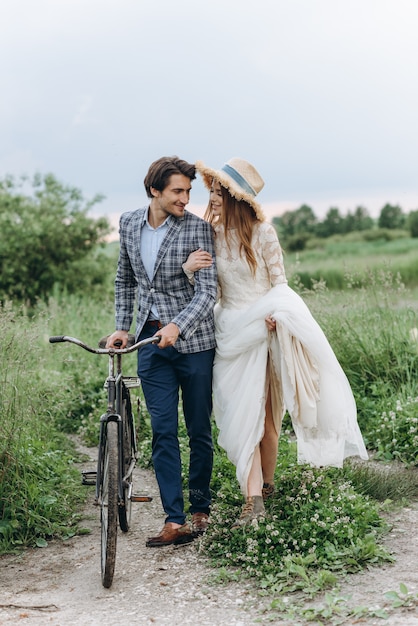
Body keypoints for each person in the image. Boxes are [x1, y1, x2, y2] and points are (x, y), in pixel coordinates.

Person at [183, 157, 368, 527]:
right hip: (230, 333)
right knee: (239, 416)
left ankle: (264, 488)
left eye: (219, 193)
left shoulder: (264, 233)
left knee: (266, 419)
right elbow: (212, 292)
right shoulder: (211, 235)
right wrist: (189, 271)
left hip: (263, 329)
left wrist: (277, 316)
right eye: (213, 192)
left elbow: (279, 284)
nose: (213, 198)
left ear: (237, 198)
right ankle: (252, 500)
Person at [106, 156, 218, 547]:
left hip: (195, 344)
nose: (186, 198)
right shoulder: (128, 223)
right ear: (154, 190)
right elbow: (125, 279)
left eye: (189, 191)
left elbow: (207, 294)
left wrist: (177, 326)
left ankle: (200, 507)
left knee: (199, 429)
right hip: (149, 344)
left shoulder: (198, 231)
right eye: (178, 191)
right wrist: (123, 326)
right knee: (163, 431)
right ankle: (175, 520)